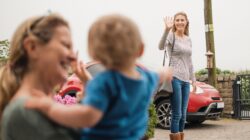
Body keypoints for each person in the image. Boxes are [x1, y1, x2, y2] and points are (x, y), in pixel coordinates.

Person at [26, 14, 172, 140]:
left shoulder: (103, 82)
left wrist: (50, 108)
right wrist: (167, 71)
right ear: (140, 50)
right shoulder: (146, 78)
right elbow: (160, 75)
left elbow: (88, 116)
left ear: (94, 54)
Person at [0, 13, 80, 140]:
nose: (73, 57)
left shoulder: (44, 109)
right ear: (32, 47)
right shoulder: (23, 112)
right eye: (66, 45)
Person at [158, 12, 196, 140]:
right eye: (177, 20)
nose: (180, 22)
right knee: (177, 114)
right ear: (174, 23)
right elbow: (160, 47)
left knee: (183, 115)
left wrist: (194, 80)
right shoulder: (171, 35)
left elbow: (190, 62)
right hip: (175, 78)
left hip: (186, 80)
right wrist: (166, 30)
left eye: (182, 20)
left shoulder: (188, 39)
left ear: (186, 22)